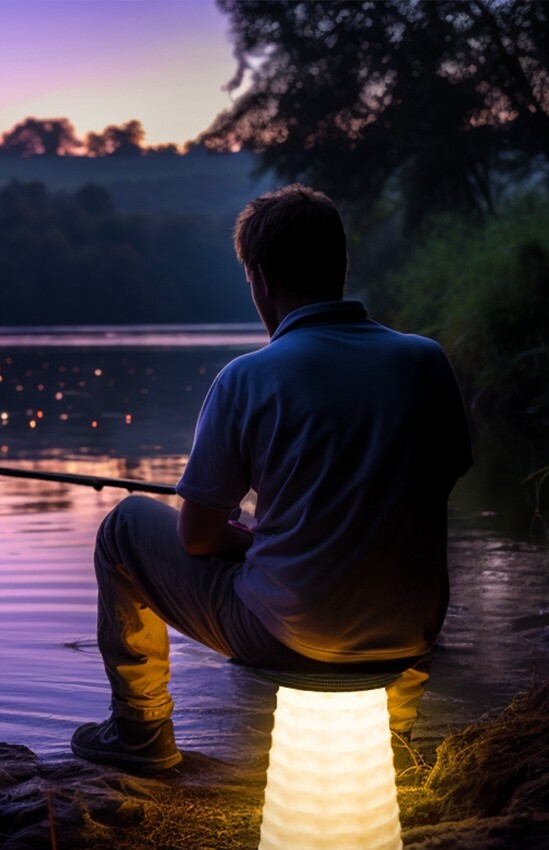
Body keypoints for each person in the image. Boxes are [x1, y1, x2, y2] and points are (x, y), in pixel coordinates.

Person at [71, 184, 473, 774]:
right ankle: (393, 735)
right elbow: (431, 488)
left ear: (259, 276)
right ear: (340, 266)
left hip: (290, 639)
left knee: (125, 526)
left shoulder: (248, 378)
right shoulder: (426, 362)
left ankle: (140, 728)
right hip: (409, 639)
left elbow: (198, 538)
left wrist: (254, 536)